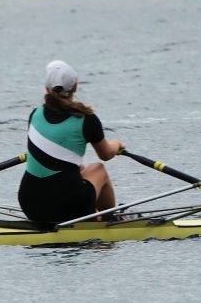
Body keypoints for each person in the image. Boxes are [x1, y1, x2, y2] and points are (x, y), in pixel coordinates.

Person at [18, 60, 126, 223]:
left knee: (77, 169)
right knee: (98, 169)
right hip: (69, 208)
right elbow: (106, 154)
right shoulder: (87, 119)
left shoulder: (35, 115)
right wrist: (117, 145)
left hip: (30, 205)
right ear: (75, 86)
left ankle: (94, 214)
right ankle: (109, 219)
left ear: (47, 89)